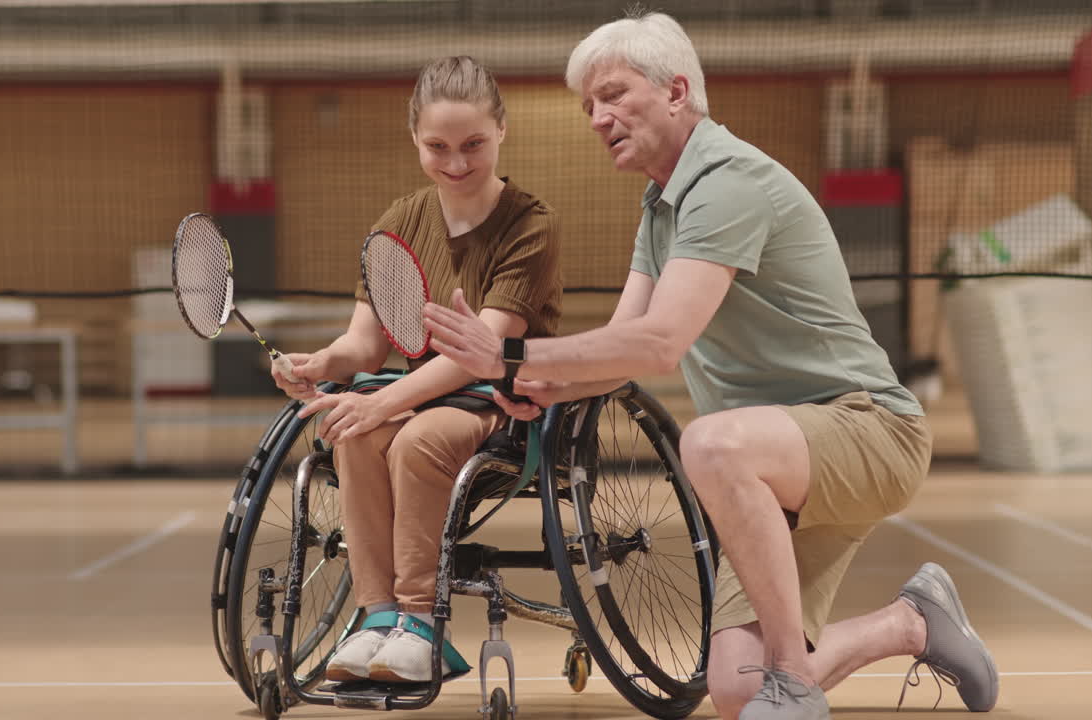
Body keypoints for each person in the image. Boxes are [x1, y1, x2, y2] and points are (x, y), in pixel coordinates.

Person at [422, 12, 996, 720]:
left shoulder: (727, 181)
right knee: (733, 690)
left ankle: (794, 679)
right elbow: (619, 346)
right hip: (772, 465)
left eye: (612, 95)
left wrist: (509, 351)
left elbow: (660, 345)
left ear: (675, 90)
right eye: (588, 107)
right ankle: (912, 622)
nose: (598, 117)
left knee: (711, 442)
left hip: (867, 431)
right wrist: (532, 384)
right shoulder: (661, 207)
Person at [270, 55, 562, 685]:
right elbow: (364, 347)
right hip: (413, 398)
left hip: (500, 405)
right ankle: (376, 619)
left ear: (502, 131)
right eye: (438, 147)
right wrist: (320, 362)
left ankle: (420, 624)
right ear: (416, 141)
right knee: (352, 429)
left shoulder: (530, 224)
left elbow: (479, 352)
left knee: (415, 440)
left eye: (473, 145)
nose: (456, 163)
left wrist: (384, 402)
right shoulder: (399, 223)